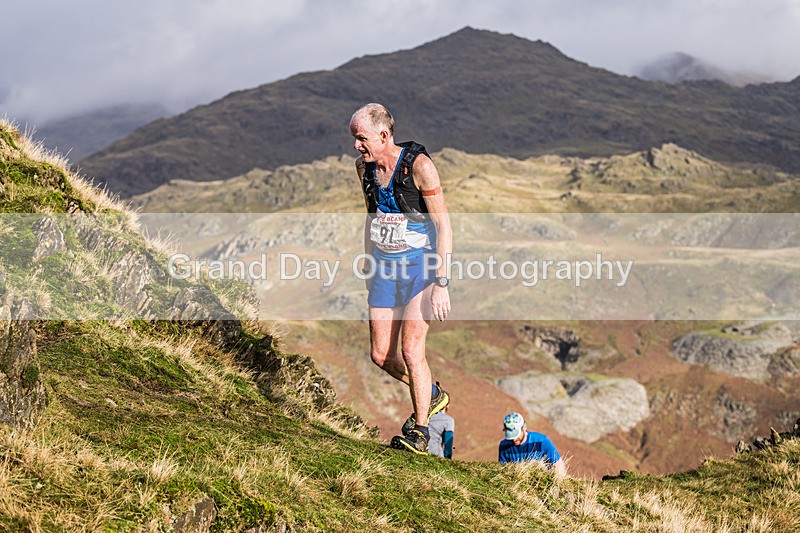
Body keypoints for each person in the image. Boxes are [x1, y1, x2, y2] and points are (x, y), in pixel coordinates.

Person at [349, 103, 453, 455]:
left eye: (361, 138)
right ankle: (433, 395)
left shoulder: (420, 167)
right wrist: (368, 264)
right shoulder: (363, 168)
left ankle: (420, 431)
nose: (356, 146)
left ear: (383, 134)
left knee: (411, 350)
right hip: (384, 268)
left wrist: (441, 283)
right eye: (353, 139)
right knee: (381, 355)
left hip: (422, 269)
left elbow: (443, 226)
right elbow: (371, 215)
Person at [499, 412, 566, 475]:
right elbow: (503, 470)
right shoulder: (504, 446)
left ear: (524, 427)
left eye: (516, 435)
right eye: (510, 436)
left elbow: (558, 465)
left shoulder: (542, 441)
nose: (514, 439)